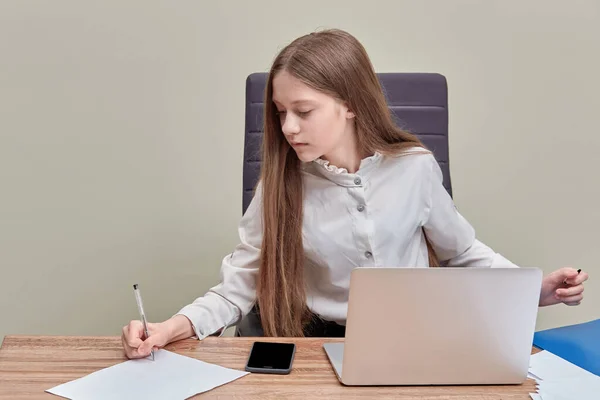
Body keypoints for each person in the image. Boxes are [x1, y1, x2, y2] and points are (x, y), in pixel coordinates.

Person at [122, 29, 589, 359]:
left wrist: (533, 289)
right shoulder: (280, 184)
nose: (287, 128)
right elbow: (237, 287)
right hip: (311, 346)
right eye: (282, 112)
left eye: (303, 111)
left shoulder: (415, 168)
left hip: (407, 341)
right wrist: (169, 328)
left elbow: (463, 252)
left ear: (349, 104)